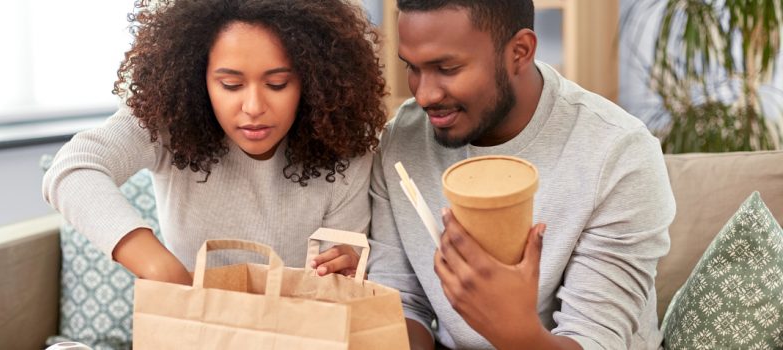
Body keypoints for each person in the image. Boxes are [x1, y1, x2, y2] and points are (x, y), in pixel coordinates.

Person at [366, 1, 676, 349]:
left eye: (447, 68)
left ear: (520, 51)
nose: (424, 95)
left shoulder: (618, 155)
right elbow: (401, 305)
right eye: (413, 67)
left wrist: (513, 329)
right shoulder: (400, 143)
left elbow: (595, 339)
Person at [42, 0, 386, 285]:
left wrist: (346, 267)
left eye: (278, 84)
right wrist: (160, 268)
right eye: (231, 85)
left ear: (313, 81)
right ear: (198, 78)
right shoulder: (168, 124)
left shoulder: (345, 150)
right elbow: (73, 169)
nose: (253, 108)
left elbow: (332, 289)